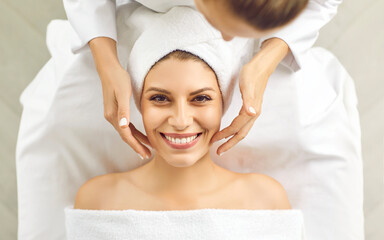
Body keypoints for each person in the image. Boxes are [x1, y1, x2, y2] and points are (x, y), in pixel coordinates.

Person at [74, 50, 292, 212]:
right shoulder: (97, 199)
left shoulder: (265, 199)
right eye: (159, 98)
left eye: (201, 98)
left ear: (222, 106)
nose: (180, 121)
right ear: (140, 105)